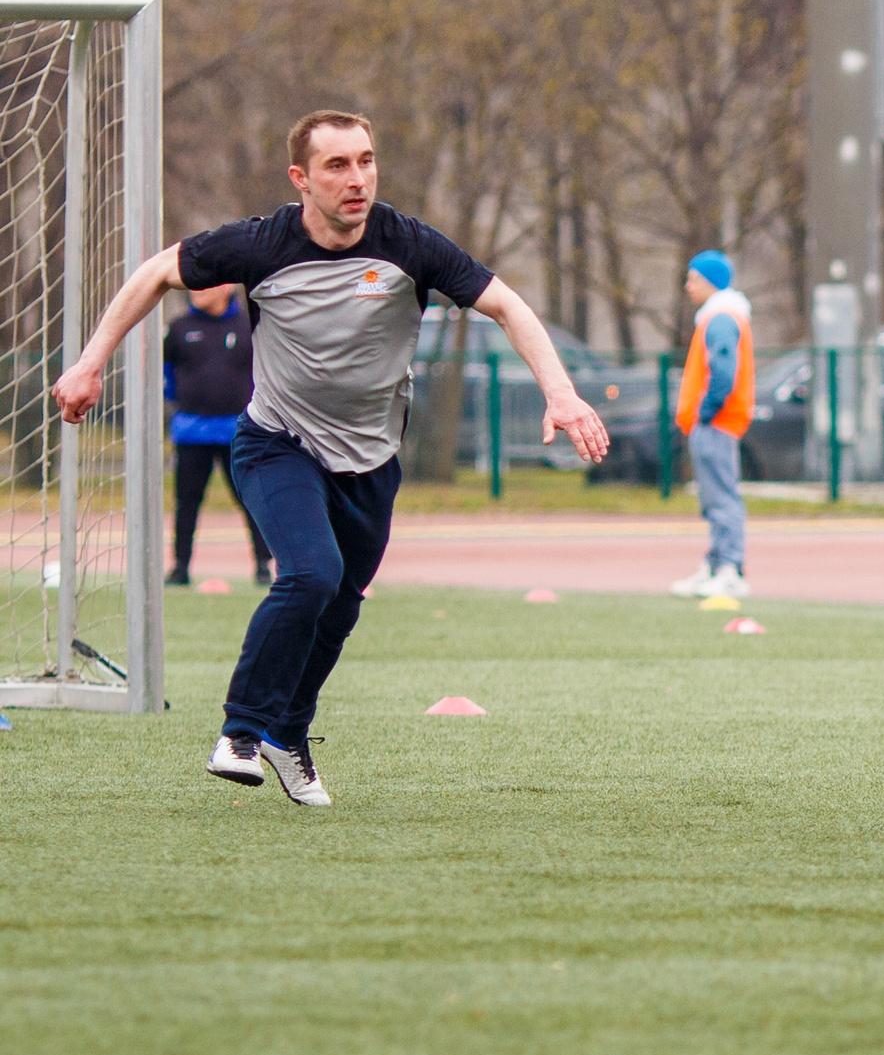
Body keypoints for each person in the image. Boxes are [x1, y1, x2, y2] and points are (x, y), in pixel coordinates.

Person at [53, 111, 607, 805]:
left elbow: (509, 307)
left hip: (371, 460)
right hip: (278, 444)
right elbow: (158, 272)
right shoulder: (261, 244)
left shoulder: (408, 243)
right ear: (301, 178)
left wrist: (562, 393)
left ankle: (289, 735)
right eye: (338, 165)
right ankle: (241, 733)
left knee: (341, 606)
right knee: (312, 575)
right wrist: (90, 363)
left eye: (366, 161)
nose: (357, 179)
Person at [162, 282, 272, 587]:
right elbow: (167, 374)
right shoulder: (179, 328)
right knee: (187, 502)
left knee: (252, 499)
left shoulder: (250, 325)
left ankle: (264, 565)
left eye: (204, 285)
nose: (195, 290)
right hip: (192, 433)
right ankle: (180, 567)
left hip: (239, 432)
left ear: (226, 288)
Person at [670, 250, 754, 600]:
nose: (688, 286)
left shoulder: (720, 317)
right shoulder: (719, 316)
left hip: (716, 421)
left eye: (694, 279)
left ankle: (729, 568)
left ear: (710, 282)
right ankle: (716, 564)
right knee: (714, 498)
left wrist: (706, 411)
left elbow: (723, 371)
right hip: (713, 421)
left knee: (721, 498)